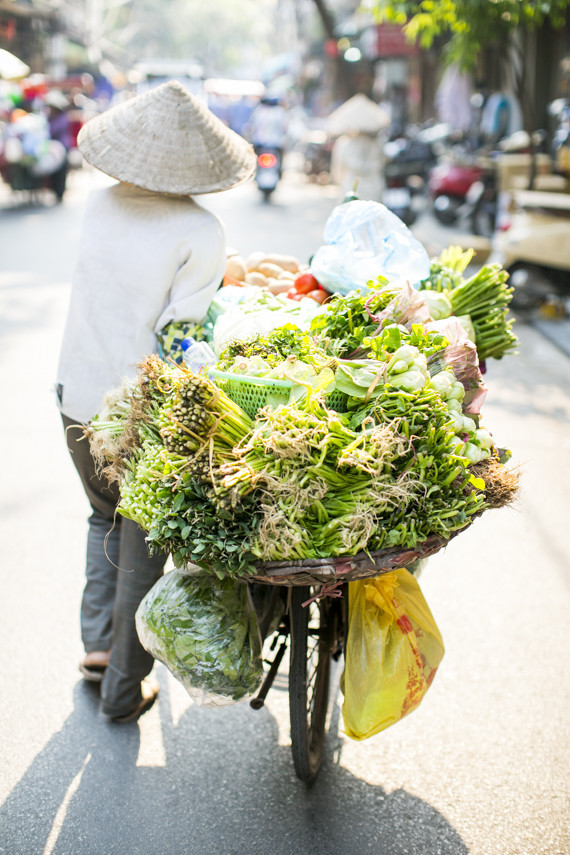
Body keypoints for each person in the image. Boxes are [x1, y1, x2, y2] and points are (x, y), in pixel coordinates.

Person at [56, 81, 256, 723]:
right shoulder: (202, 228)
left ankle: (96, 647)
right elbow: (178, 341)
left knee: (102, 516)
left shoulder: (97, 206)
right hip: (136, 411)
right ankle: (122, 687)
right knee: (143, 534)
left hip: (75, 397)